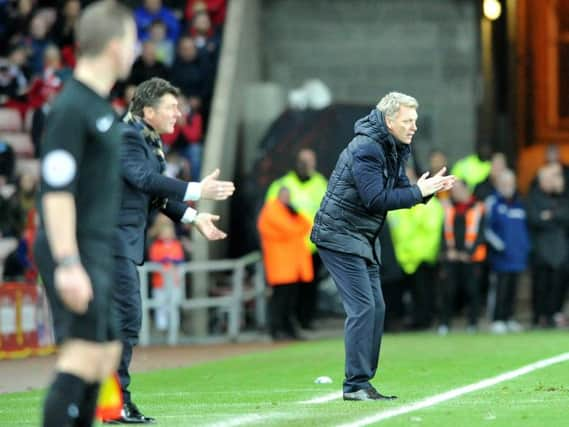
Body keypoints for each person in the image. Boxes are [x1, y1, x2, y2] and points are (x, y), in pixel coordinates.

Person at [310, 92, 455, 401]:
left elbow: (403, 190)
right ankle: (356, 385)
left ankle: (362, 382)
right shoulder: (367, 148)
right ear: (389, 121)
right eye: (408, 120)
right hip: (339, 234)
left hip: (361, 236)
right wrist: (419, 191)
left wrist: (428, 189)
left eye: (415, 120)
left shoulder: (393, 146)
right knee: (363, 307)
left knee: (376, 307)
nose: (414, 126)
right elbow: (375, 198)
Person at [33, 2, 137, 426]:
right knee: (81, 354)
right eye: (132, 41)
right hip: (73, 248)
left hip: (96, 247)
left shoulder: (101, 109)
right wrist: (68, 262)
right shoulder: (71, 109)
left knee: (107, 350)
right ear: (115, 47)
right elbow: (56, 191)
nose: (136, 50)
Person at [110, 77, 234, 424]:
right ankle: (113, 401)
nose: (179, 113)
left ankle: (112, 401)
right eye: (172, 107)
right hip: (109, 240)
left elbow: (157, 196)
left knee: (119, 322)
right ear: (148, 111)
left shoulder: (146, 141)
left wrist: (195, 217)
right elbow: (143, 180)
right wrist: (197, 189)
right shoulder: (128, 138)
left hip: (120, 241)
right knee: (125, 320)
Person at [265, 148, 328, 330]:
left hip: (313, 245)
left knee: (310, 286)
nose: (306, 164)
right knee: (288, 290)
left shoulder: (320, 184)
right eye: (303, 160)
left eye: (309, 160)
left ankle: (305, 320)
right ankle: (285, 324)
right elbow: (271, 214)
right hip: (289, 248)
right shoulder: (282, 185)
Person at [257, 187, 314, 340]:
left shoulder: (286, 211)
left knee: (289, 300)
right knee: (280, 299)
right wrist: (297, 220)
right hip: (281, 265)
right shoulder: (272, 210)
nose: (287, 199)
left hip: (291, 265)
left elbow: (306, 224)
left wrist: (296, 214)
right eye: (285, 196)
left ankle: (286, 329)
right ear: (279, 196)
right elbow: (293, 229)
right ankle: (276, 329)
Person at [484, 169, 530, 334]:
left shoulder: (520, 204)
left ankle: (509, 318)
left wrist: (525, 248)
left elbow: (523, 230)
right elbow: (487, 230)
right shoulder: (493, 203)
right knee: (500, 289)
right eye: (504, 183)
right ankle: (497, 319)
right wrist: (500, 246)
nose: (508, 187)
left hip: (517, 256)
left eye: (510, 183)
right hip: (501, 257)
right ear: (498, 184)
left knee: (513, 289)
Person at [438, 179, 487, 335]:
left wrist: (468, 253)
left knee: (472, 291)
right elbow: (444, 233)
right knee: (448, 291)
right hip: (452, 258)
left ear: (467, 190)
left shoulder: (478, 208)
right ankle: (444, 324)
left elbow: (481, 233)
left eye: (459, 189)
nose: (455, 193)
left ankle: (472, 323)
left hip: (471, 259)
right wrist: (448, 251)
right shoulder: (448, 208)